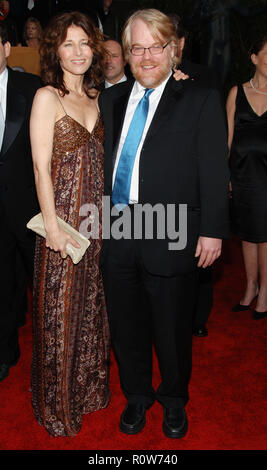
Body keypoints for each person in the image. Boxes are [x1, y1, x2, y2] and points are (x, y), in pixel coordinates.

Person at [99, 8, 229, 438]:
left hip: (172, 230)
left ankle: (174, 399)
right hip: (117, 228)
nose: (147, 56)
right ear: (128, 54)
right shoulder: (111, 99)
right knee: (126, 324)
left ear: (173, 50)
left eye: (156, 46)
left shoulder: (201, 98)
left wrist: (212, 229)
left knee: (172, 328)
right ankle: (137, 396)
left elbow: (213, 168)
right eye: (138, 47)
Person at [30, 11, 110, 437]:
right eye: (68, 44)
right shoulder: (47, 97)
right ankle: (58, 406)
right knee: (58, 316)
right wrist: (54, 229)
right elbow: (41, 169)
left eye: (84, 43)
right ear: (55, 51)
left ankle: (88, 391)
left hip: (96, 227)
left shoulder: (99, 97)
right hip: (62, 229)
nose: (78, 52)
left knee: (90, 311)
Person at [169, 12, 222, 338]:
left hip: (198, 188)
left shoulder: (203, 78)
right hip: (163, 194)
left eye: (169, 42)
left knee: (201, 262)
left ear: (182, 43)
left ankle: (198, 318)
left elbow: (214, 140)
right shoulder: (143, 80)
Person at [0, 22, 42, 382]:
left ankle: (49, 353)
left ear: (7, 48)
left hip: (31, 210)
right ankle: (5, 351)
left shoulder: (33, 89)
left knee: (41, 284)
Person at [227, 36, 267, 320]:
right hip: (241, 175)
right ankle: (251, 286)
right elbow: (227, 139)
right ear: (254, 58)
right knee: (247, 236)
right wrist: (224, 175)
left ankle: (265, 290)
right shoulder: (236, 93)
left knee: (265, 236)